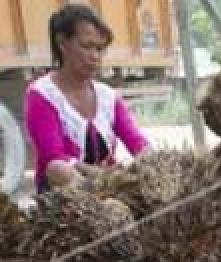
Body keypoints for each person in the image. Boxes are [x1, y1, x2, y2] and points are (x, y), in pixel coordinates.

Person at [24, 3, 149, 192]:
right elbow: (53, 157)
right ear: (62, 44)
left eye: (99, 49)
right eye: (87, 46)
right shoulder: (41, 94)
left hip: (108, 189)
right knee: (58, 169)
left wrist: (152, 161)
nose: (95, 56)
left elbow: (137, 142)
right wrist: (102, 177)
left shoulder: (108, 96)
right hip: (64, 194)